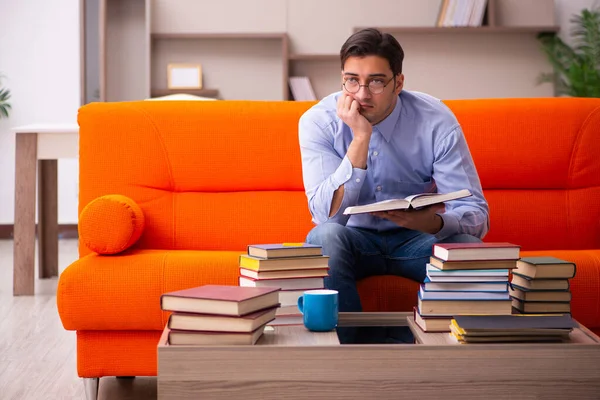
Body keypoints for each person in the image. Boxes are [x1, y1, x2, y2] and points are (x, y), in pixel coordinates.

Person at [298, 28, 490, 343]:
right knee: (323, 237)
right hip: (353, 240)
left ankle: (449, 356)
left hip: (418, 240)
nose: (361, 94)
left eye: (375, 81)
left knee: (468, 247)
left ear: (397, 83)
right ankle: (350, 351)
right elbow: (326, 216)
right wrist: (360, 139)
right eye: (351, 80)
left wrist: (434, 222)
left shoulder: (435, 120)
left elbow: (476, 213)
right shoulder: (319, 121)